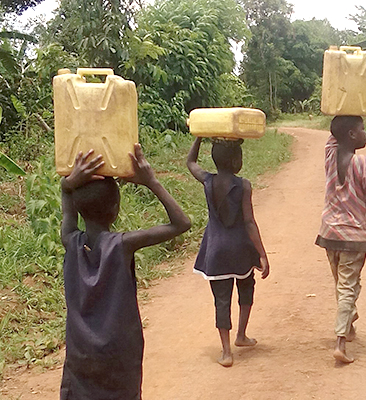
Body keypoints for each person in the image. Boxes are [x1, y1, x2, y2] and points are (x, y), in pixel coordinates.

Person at [60, 145, 191, 399]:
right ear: (116, 209)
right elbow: (181, 223)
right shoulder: (123, 245)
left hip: (80, 355)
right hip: (118, 356)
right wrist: (151, 181)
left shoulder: (70, 241)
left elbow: (67, 211)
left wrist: (68, 185)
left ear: (78, 207)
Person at [187, 136, 270, 368]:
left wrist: (198, 137)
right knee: (246, 287)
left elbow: (190, 162)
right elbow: (249, 222)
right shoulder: (243, 185)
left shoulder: (207, 181)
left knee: (221, 300)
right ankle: (241, 335)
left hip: (215, 250)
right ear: (236, 161)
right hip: (241, 249)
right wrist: (262, 253)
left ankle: (226, 352)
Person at [315, 116, 366, 363]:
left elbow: (334, 136)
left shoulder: (330, 157)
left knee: (341, 284)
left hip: (329, 233)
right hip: (353, 236)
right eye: (362, 129)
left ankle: (349, 323)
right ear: (352, 135)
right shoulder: (362, 163)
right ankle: (340, 342)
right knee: (348, 286)